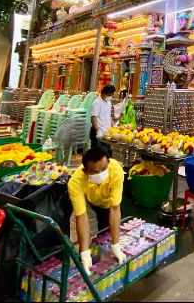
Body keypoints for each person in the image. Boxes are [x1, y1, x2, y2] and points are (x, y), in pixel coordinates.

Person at [68, 146, 126, 275]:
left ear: (108, 163)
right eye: (94, 172)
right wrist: (84, 252)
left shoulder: (116, 171)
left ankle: (105, 273)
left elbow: (115, 209)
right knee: (78, 245)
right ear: (85, 170)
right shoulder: (75, 182)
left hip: (107, 204)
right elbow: (81, 216)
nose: (100, 174)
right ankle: (78, 272)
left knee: (105, 241)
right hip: (88, 203)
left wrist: (116, 245)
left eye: (104, 169)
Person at [90, 84, 116, 157]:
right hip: (98, 132)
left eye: (111, 95)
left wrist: (113, 124)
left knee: (108, 155)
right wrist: (97, 131)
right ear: (104, 94)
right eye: (109, 95)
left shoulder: (108, 102)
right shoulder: (97, 102)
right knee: (97, 156)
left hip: (106, 132)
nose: (110, 97)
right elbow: (93, 117)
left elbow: (108, 115)